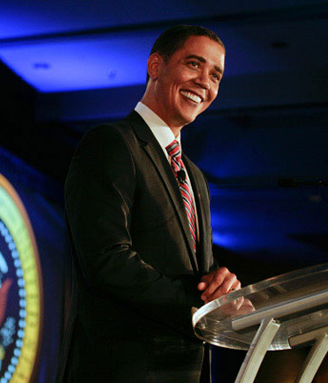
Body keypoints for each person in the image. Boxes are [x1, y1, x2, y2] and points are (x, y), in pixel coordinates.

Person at [56, 25, 241, 383]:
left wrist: (221, 286)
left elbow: (193, 267)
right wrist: (197, 304)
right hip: (122, 371)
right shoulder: (111, 144)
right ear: (156, 66)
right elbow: (107, 262)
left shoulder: (194, 176)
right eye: (193, 64)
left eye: (215, 75)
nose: (205, 82)